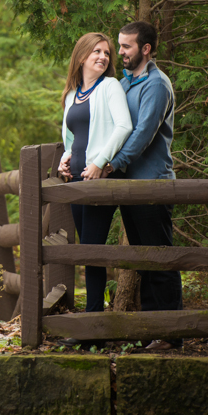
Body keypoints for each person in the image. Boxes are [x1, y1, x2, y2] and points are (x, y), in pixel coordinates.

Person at [104, 20, 183, 350]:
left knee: (160, 260)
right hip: (130, 187)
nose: (119, 52)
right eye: (119, 46)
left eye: (126, 46)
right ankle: (152, 330)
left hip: (152, 186)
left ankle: (170, 334)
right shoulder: (125, 84)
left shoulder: (156, 85)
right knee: (144, 260)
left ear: (145, 49)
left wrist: (112, 165)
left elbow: (143, 135)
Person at [57, 32, 132, 314]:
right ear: (81, 57)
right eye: (96, 52)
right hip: (76, 182)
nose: (103, 57)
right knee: (87, 251)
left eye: (107, 53)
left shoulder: (110, 86)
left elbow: (123, 127)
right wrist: (65, 159)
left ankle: (93, 323)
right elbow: (70, 139)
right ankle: (92, 318)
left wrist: (100, 162)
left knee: (93, 251)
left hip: (99, 182)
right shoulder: (72, 95)